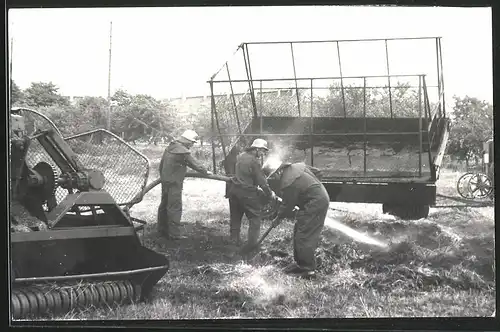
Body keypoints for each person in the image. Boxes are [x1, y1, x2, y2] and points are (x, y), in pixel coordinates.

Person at [265, 161, 330, 279]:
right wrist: (310, 189)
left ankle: (308, 270)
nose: (274, 178)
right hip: (316, 199)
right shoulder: (298, 167)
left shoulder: (288, 182)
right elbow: (318, 173)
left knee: (304, 235)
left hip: (314, 203)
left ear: (279, 171)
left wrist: (278, 218)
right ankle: (300, 264)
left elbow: (287, 205)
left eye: (273, 175)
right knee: (298, 231)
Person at [157, 129, 211, 240]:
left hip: (165, 181)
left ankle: (162, 230)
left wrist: (163, 177)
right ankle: (174, 234)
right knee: (174, 207)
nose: (192, 145)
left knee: (164, 205)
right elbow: (195, 164)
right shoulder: (182, 151)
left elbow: (161, 165)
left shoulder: (170, 148)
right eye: (192, 142)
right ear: (186, 141)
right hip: (175, 183)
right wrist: (205, 171)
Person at [226, 138, 276, 250]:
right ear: (256, 149)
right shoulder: (254, 161)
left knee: (235, 218)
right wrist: (269, 193)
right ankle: (252, 246)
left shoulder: (240, 156)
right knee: (255, 218)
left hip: (234, 191)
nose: (263, 154)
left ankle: (233, 243)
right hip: (247, 193)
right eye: (262, 151)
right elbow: (261, 181)